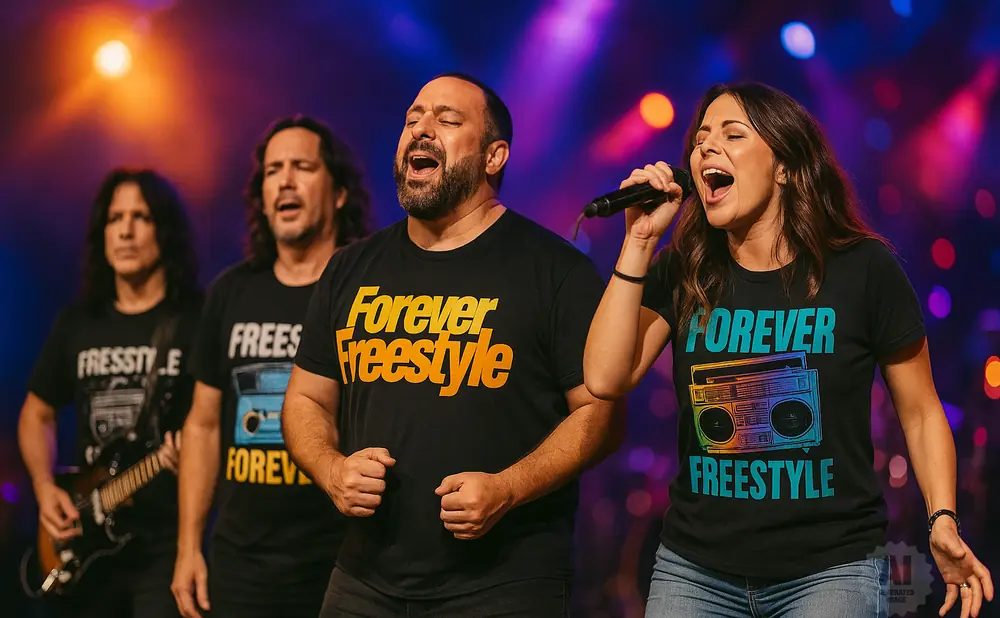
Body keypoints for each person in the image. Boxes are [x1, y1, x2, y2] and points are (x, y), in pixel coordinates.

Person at [583, 82, 995, 618]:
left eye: (733, 135)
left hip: (830, 568)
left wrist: (942, 518)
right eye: (701, 139)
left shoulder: (864, 269)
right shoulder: (685, 269)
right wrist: (638, 243)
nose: (707, 148)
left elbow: (919, 411)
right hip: (695, 568)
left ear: (784, 166)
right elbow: (603, 378)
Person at [281, 72, 624, 618]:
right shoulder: (349, 268)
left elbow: (601, 416)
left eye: (447, 120)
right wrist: (331, 470)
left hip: (505, 583)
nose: (421, 129)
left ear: (494, 157)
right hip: (365, 580)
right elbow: (305, 400)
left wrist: (508, 488)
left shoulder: (555, 270)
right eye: (413, 118)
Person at [170, 115, 371, 618]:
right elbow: (203, 424)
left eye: (302, 167)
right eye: (272, 170)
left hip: (345, 561)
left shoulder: (370, 292)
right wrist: (188, 546)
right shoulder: (229, 292)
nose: (284, 180)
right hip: (241, 564)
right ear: (260, 197)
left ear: (340, 192)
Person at [18, 168, 202, 618]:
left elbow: (215, 418)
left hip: (164, 543)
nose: (125, 229)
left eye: (141, 217)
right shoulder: (78, 324)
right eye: (114, 218)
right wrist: (45, 489)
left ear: (165, 231)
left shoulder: (196, 319)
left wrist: (193, 453)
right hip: (88, 537)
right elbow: (35, 414)